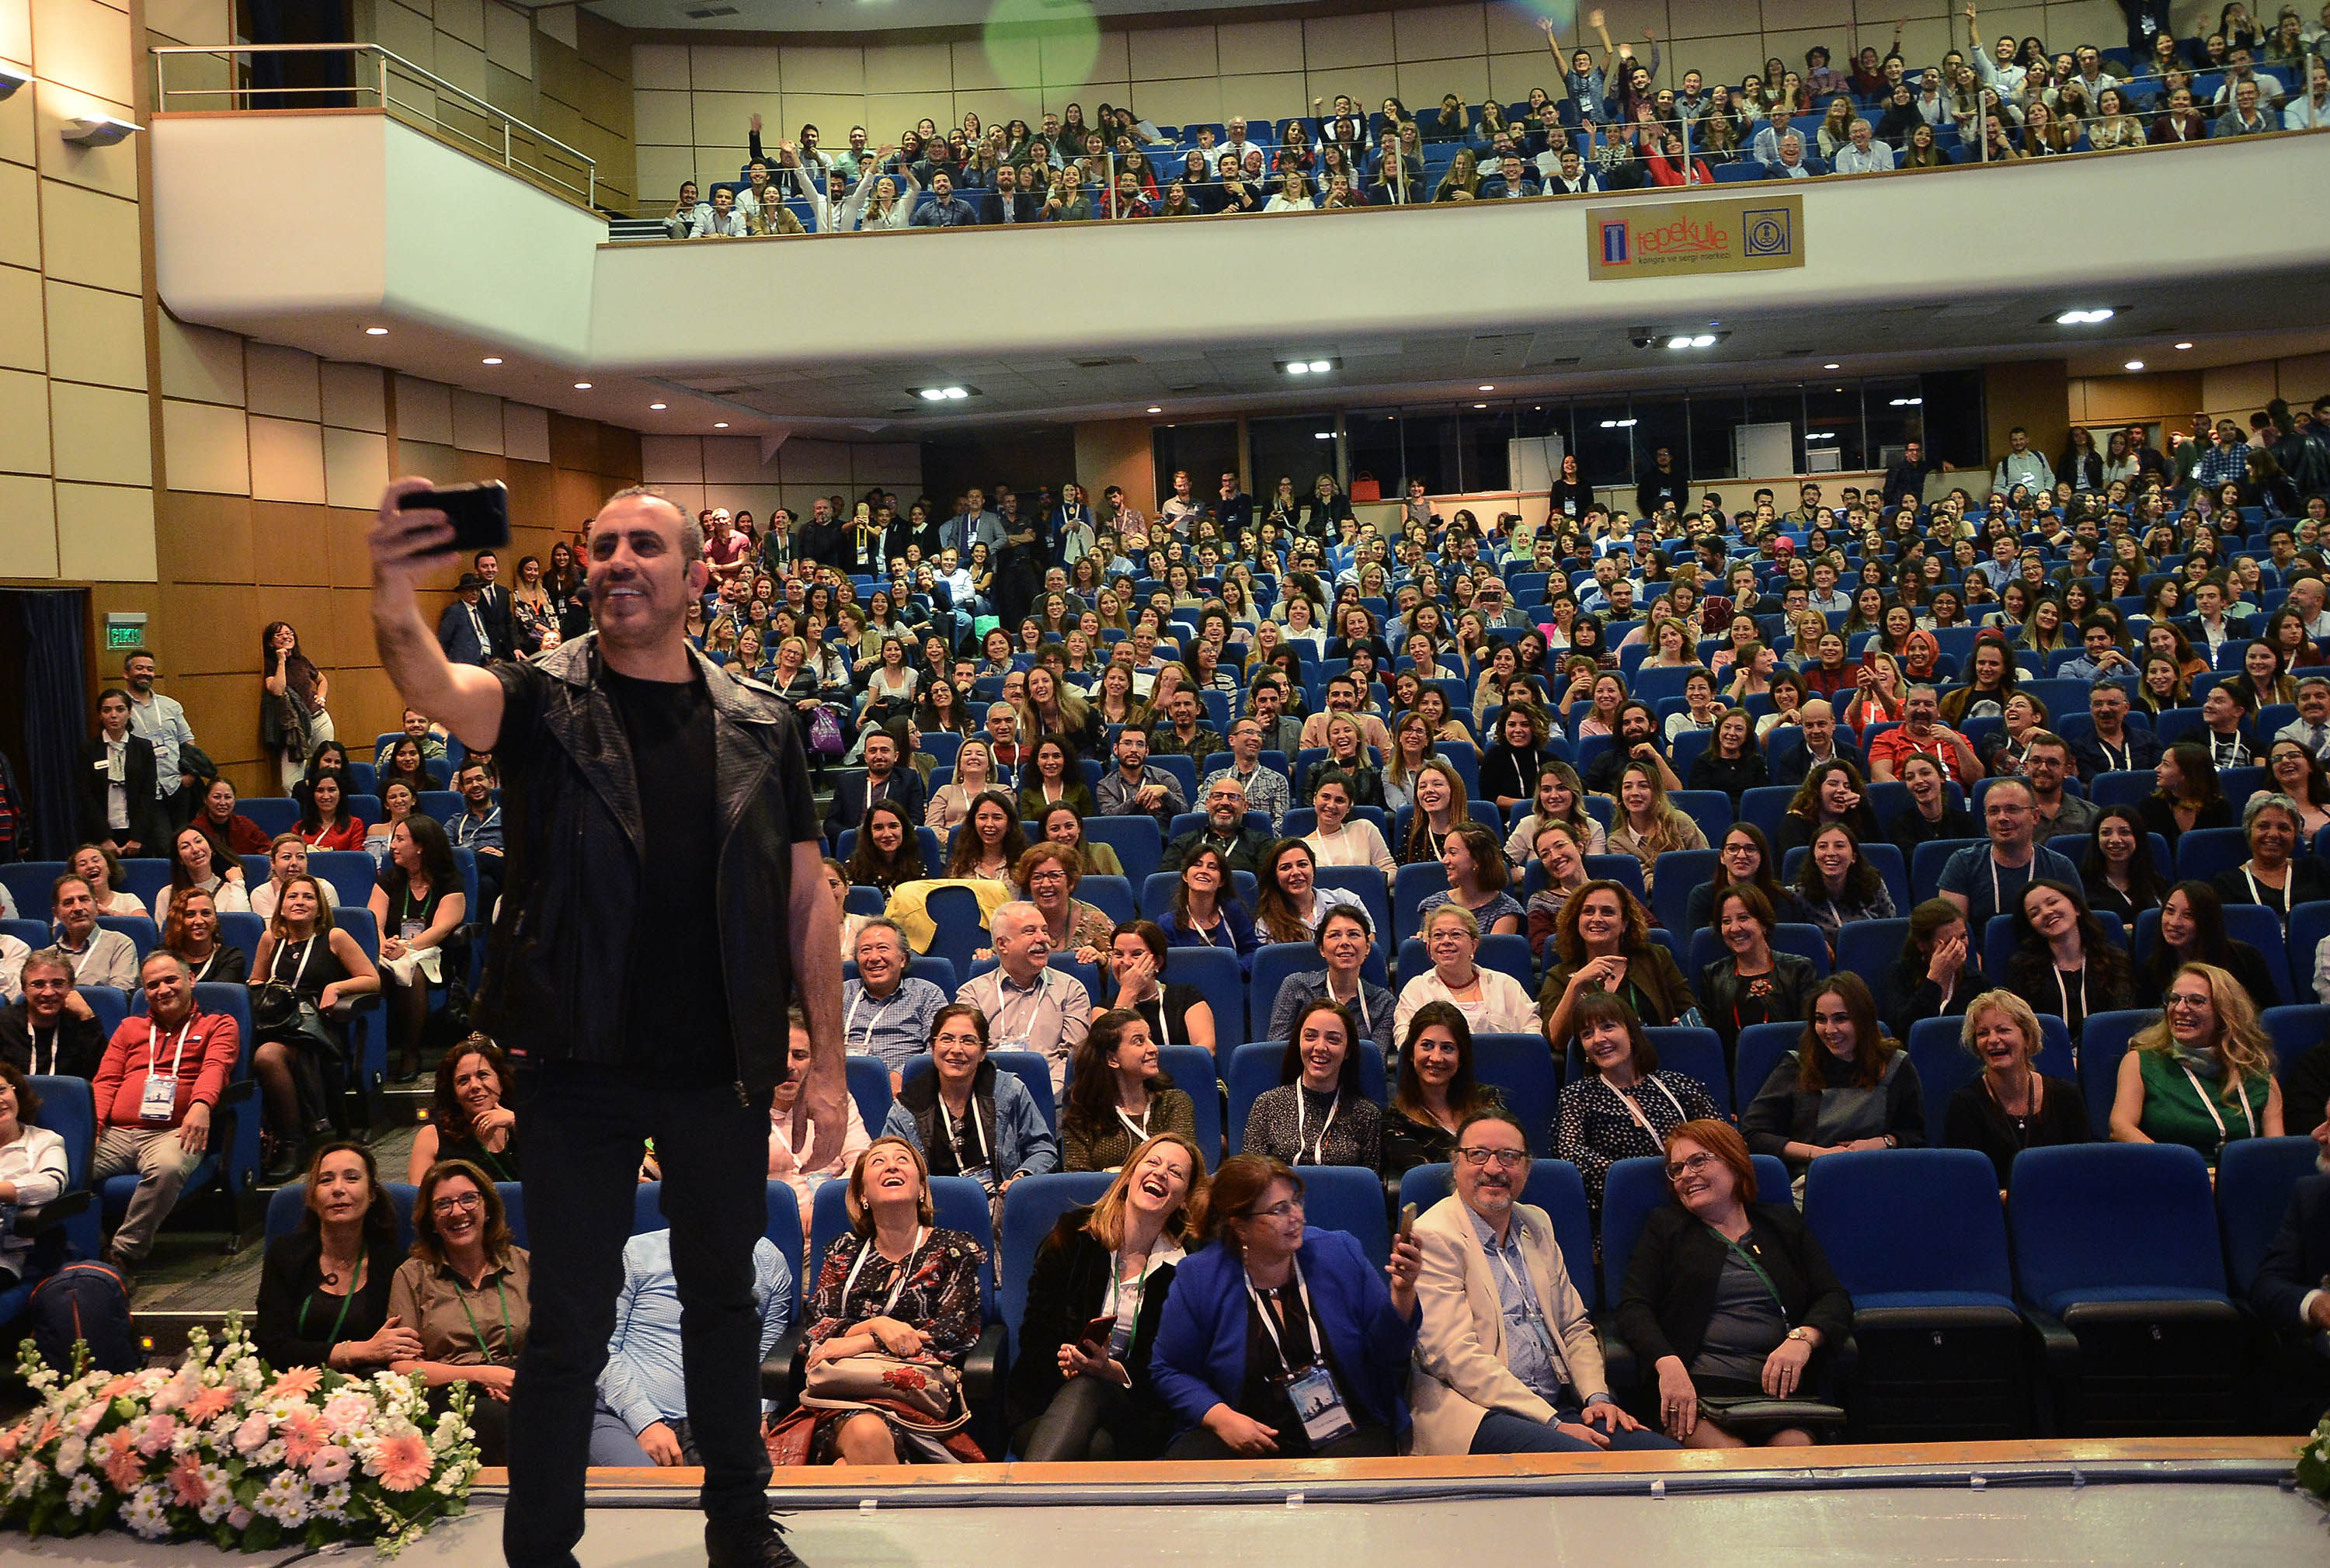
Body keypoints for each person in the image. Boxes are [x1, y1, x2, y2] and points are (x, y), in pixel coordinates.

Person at [370, 479, 843, 1568]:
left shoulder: (764, 721)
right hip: (574, 1058)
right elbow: (432, 680)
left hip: (717, 1061)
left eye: (644, 544)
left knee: (724, 1303)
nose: (617, 559)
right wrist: (395, 588)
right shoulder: (542, 698)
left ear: (694, 575)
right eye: (602, 545)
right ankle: (540, 1548)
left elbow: (809, 899)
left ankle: (739, 1526)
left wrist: (820, 1062)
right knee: (573, 1317)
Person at [1410, 1103, 1671, 1456]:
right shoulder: (1434, 1234)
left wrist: (1596, 1397)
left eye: (1508, 1156)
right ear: (1456, 1164)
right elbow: (1454, 1357)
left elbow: (1574, 1327)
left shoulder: (1536, 1224)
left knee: (1660, 1457)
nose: (1493, 1168)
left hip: (1559, 1403)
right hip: (1478, 1412)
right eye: (1478, 1155)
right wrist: (1554, 1424)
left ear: (1526, 1168)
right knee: (1587, 1463)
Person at [1149, 1153, 1422, 1458]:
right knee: (1194, 1461)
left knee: (1348, 1479)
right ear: (1240, 1227)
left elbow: (1389, 1353)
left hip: (1344, 1425)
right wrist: (1222, 1419)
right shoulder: (1199, 1276)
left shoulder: (1338, 1252)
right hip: (1245, 1426)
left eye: (1296, 1201)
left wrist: (1403, 1291)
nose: (1297, 1217)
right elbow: (1170, 1370)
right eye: (1279, 1210)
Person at [1615, 1119, 1853, 1448]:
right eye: (1676, 1168)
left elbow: (1833, 1297)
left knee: (1794, 1457)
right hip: (1696, 1394)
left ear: (1733, 1162)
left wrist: (1803, 1339)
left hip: (1779, 1395)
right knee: (1734, 1461)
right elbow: (1633, 1307)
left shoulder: (1782, 1224)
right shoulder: (1666, 1228)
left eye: (1698, 1161)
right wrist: (1667, 1362)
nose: (1685, 1175)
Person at [778, 1135, 986, 1465]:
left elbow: (954, 1332)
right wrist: (878, 1326)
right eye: (878, 1162)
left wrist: (861, 1343)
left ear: (921, 1189)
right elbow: (817, 1328)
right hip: (841, 1395)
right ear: (862, 1195)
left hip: (914, 1398)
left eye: (903, 1160)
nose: (891, 1165)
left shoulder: (954, 1249)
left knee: (860, 1449)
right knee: (866, 1433)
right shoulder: (842, 1251)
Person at [1008, 1131, 1206, 1461]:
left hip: (1135, 1411)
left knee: (1090, 1391)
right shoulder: (1073, 1236)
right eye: (1153, 1162)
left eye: (1175, 1172)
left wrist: (1111, 1370)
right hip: (1049, 1401)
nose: (1160, 1173)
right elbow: (1036, 1335)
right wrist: (1072, 1364)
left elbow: (1176, 1365)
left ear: (1184, 1198)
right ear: (1129, 1176)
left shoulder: (1188, 1267)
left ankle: (1018, 1506)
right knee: (1095, 1445)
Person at [88, 951, 242, 1279]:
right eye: (153, 985)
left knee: (169, 1168)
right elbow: (106, 1081)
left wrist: (200, 1105)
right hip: (117, 1132)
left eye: (171, 980)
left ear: (191, 979)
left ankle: (123, 1253)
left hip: (174, 1132)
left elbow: (216, 1068)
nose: (163, 990)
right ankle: (85, 1242)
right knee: (66, 1165)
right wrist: (93, 1128)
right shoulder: (130, 1028)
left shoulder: (219, 1024)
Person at [592, 1224, 794, 1469]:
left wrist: (759, 1417)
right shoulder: (634, 1253)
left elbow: (767, 1358)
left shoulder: (768, 1261)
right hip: (623, 1415)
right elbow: (601, 1350)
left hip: (722, 1423)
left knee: (742, 1494)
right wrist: (646, 1422)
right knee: (652, 1494)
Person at [389, 1159, 533, 1464]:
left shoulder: (525, 1265)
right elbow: (402, 1368)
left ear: (488, 1207)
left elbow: (556, 1340)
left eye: (468, 1198)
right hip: (451, 1393)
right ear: (430, 1219)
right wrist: (480, 1375)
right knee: (493, 1417)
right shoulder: (412, 1276)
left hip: (524, 1383)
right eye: (443, 1204)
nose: (457, 1212)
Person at [249, 871, 377, 1177]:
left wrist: (338, 988)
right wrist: (266, 991)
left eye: (308, 897)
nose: (300, 902)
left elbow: (372, 980)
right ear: (281, 906)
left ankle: (295, 1144)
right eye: (292, 897)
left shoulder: (334, 937)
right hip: (278, 1022)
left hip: (317, 1025)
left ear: (320, 908)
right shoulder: (271, 939)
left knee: (267, 1056)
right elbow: (255, 980)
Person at [1741, 974, 1926, 1180]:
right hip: (1812, 1179)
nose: (1829, 1030)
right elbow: (1753, 1134)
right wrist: (1819, 1154)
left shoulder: (1897, 1065)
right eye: (1821, 1019)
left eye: (1841, 1019)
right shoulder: (1796, 1066)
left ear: (1863, 1020)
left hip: (1881, 1175)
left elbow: (1916, 1136)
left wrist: (1882, 1143)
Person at [253, 1140, 416, 1373]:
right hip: (291, 1388)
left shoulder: (394, 1265)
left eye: (351, 1178)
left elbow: (397, 1349)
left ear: (372, 1194)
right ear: (312, 1197)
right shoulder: (286, 1254)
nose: (338, 1189)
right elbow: (271, 1347)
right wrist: (359, 1351)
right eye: (326, 1180)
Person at [2109, 961, 2283, 1166]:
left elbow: (2276, 1153)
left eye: (2196, 1001)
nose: (2181, 1009)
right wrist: (2190, 1172)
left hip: (2242, 1184)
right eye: (2174, 999)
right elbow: (2120, 1128)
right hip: (2170, 1177)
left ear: (2224, 1013)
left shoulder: (2259, 1077)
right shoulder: (2141, 1062)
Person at [1941, 991, 2092, 1191]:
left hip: (2060, 1204)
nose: (1993, 1040)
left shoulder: (2066, 1095)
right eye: (1983, 1033)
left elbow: (2084, 1168)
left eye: (2003, 1030)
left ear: (2027, 1038)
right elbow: (1966, 1181)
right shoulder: (1965, 1103)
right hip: (1995, 1211)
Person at [955, 902, 1092, 1097]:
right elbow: (966, 1051)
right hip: (985, 1097)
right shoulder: (972, 994)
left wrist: (1045, 1094)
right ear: (1002, 944)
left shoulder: (1071, 990)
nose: (1043, 938)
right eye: (1030, 931)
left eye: (1044, 930)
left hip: (1052, 1097)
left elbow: (1074, 1057)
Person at [1538, 881, 1696, 1046]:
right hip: (1596, 1065)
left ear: (1624, 924)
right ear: (1577, 921)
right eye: (1588, 912)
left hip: (1658, 1057)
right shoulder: (1560, 976)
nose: (1597, 919)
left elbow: (1692, 1013)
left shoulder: (1656, 958)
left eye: (1607, 912)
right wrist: (1576, 984)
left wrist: (1681, 1028)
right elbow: (1556, 1040)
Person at [370, 815, 467, 1082]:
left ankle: (411, 1051)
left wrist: (407, 947)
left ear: (421, 846)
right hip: (389, 952)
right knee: (371, 972)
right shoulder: (389, 880)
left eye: (401, 840)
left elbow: (442, 928)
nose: (393, 846)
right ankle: (370, 1055)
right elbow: (372, 921)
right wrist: (382, 943)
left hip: (432, 956)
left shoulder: (450, 882)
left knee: (413, 972)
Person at [1243, 999, 1383, 1169]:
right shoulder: (1267, 1104)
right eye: (1310, 1037)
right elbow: (1249, 1180)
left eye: (1333, 1039)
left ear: (1347, 1051)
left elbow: (1370, 1187)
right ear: (1299, 1043)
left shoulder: (1366, 1115)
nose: (1320, 1047)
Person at [1061, 1009, 1198, 1172]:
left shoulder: (1173, 1103)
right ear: (1112, 1059)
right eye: (1139, 1041)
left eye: (1150, 1039)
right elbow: (1077, 1182)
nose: (1154, 1048)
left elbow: (1180, 1165)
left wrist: (1118, 1174)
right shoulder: (1083, 1116)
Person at [1938, 777, 2082, 932]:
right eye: (1994, 811)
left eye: (2012, 809)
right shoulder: (1962, 864)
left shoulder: (2060, 867)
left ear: (2035, 816)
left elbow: (2078, 929)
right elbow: (1952, 935)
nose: (2002, 818)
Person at [1379, 1003, 1505, 1179]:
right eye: (1427, 1046)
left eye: (1447, 1048)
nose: (1436, 1058)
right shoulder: (1395, 1121)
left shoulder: (1488, 1100)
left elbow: (1507, 1159)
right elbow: (1430, 1180)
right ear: (1410, 1053)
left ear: (1461, 1057)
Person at [1699, 885, 1818, 1066]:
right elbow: (1710, 1041)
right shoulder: (1713, 975)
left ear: (1763, 923)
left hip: (1791, 1071)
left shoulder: (1799, 969)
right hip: (1735, 1073)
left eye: (1743, 918)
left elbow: (1809, 1035)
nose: (1734, 928)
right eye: (1726, 921)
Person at [2003, 879, 2134, 1038]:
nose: (2046, 912)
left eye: (2052, 902)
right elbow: (2023, 1027)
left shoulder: (2114, 959)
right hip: (2047, 1056)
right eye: (2035, 913)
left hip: (2107, 1052)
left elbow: (2121, 1019)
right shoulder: (2022, 968)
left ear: (2076, 908)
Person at [2140, 880, 2285, 1012]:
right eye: (2170, 911)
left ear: (2207, 922)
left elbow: (2270, 1016)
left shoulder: (2245, 958)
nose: (2174, 923)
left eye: (2188, 915)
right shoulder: (2152, 968)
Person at [1397, 904, 1537, 1040]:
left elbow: (1533, 1030)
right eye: (1438, 935)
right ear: (1429, 947)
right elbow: (1405, 1040)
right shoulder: (1416, 989)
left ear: (1473, 945)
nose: (1446, 941)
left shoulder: (1505, 985)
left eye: (1456, 934)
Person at [409, 1035, 521, 1184]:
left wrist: (517, 1123)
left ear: (501, 1082)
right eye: (463, 1080)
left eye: (482, 1075)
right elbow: (419, 1201)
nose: (474, 1086)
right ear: (454, 1094)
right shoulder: (431, 1138)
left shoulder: (525, 1126)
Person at [1102, 919, 1217, 1057]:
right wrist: (1129, 992)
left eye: (1137, 954)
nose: (1125, 962)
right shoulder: (1103, 1010)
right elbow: (1105, 1054)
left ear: (1157, 962)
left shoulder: (1187, 997)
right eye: (1118, 954)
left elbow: (1206, 1051)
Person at [0, 1061, 68, 1289]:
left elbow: (50, 1185)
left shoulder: (45, 1141)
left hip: (6, 1253)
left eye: (2, 1091)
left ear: (15, 1091)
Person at [2214, 792, 2330, 922]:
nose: (2273, 834)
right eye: (2263, 826)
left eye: (2283, 828)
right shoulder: (2227, 884)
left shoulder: (2318, 870)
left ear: (2295, 837)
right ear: (2249, 832)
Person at [1881, 899, 1984, 1042]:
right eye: (1949, 942)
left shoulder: (1976, 980)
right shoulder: (1900, 974)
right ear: (1922, 945)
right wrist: (1935, 979)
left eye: (1963, 937)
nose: (1960, 947)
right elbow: (1901, 1031)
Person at [78, 688, 165, 857]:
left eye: (120, 709)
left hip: (137, 833)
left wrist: (137, 836)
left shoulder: (143, 748)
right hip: (100, 833)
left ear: (129, 713)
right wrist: (104, 837)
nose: (113, 715)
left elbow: (148, 794)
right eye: (107, 710)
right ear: (100, 715)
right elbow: (85, 796)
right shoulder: (88, 750)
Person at [0, 948, 106, 1079]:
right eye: (38, 984)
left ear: (71, 987)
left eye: (57, 984)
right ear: (24, 989)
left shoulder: (82, 1025)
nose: (48, 992)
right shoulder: (4, 1024)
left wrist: (87, 1016)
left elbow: (101, 1077)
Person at [262, 620, 335, 793]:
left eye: (289, 633)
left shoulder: (302, 660)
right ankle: (301, 814)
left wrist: (321, 697)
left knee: (327, 771)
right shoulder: (270, 664)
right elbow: (277, 690)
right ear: (271, 642)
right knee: (290, 783)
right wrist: (281, 660)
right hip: (295, 728)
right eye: (279, 634)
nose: (286, 636)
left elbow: (322, 679)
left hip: (319, 720)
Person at [1158, 844, 1259, 966]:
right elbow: (1166, 967)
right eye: (1197, 865)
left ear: (1221, 881)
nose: (1204, 871)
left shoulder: (1234, 912)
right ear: (1185, 876)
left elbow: (1253, 953)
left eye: (1212, 867)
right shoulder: (1167, 924)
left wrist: (1233, 971)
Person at [1252, 836, 1364, 945]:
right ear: (1275, 876)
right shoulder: (1266, 925)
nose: (1295, 872)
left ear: (1313, 869)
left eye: (1302, 865)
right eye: (1286, 867)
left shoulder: (1346, 900)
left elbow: (1368, 945)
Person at [2081, 805, 2170, 926]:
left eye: (2124, 832)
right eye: (2106, 833)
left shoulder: (2155, 882)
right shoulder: (2083, 888)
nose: (2115, 840)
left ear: (2137, 837)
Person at [155, 822, 251, 930]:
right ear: (180, 859)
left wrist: (237, 882)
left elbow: (241, 926)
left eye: (198, 841)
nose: (195, 850)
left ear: (211, 849)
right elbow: (163, 935)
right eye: (185, 847)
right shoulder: (167, 894)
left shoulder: (231, 889)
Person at [1303, 768, 1396, 875]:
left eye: (1339, 800)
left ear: (1349, 807)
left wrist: (1370, 884)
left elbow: (1391, 870)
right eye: (1326, 797)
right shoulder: (1304, 846)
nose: (1331, 805)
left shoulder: (1364, 828)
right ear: (1315, 799)